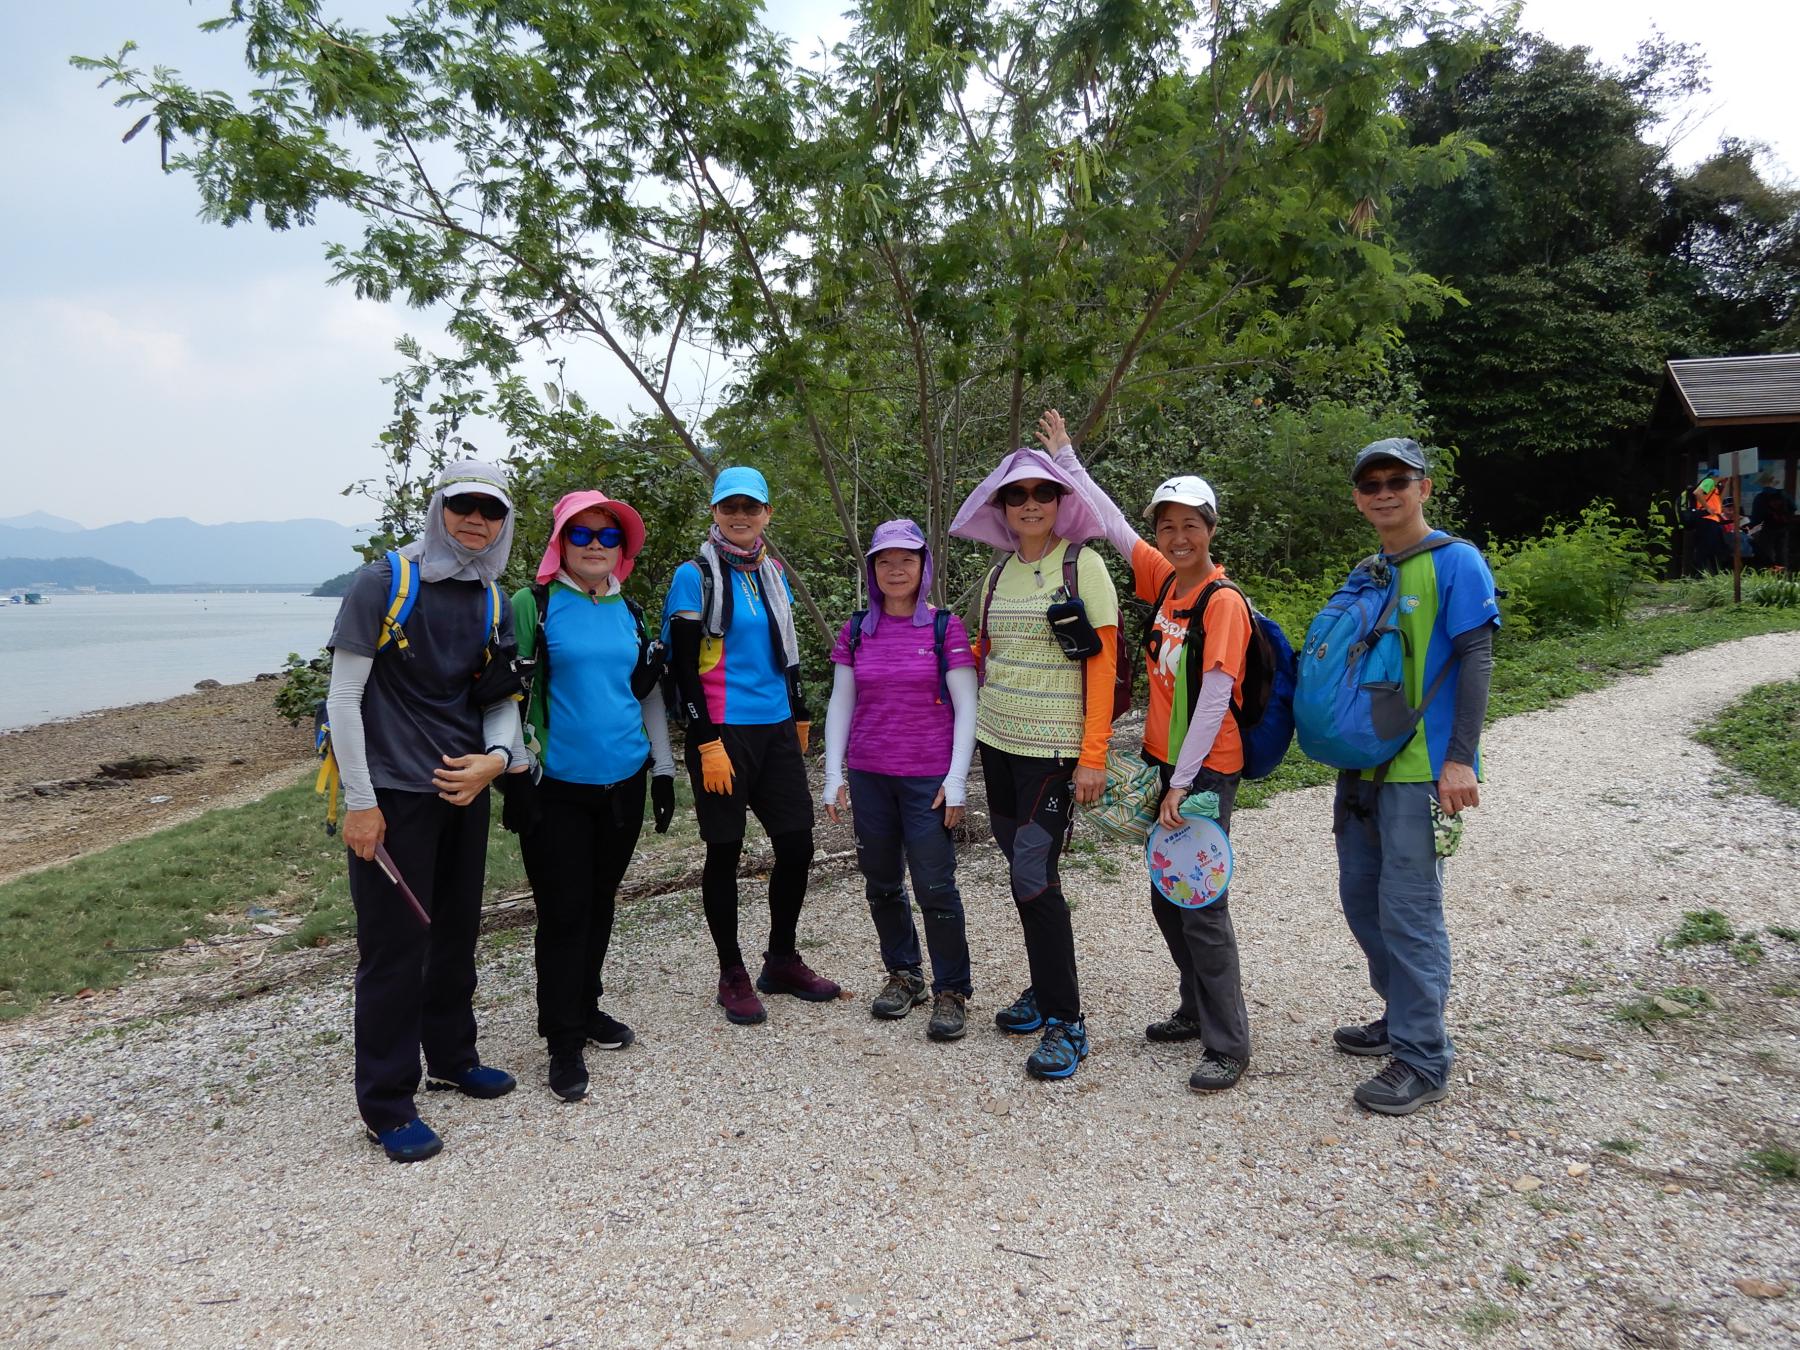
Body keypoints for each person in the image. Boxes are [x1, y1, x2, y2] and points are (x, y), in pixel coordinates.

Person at [1035, 409, 1254, 1092]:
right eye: (1167, 526)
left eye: (1191, 525)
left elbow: (1214, 698)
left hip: (1205, 771)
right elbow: (1109, 523)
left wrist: (1181, 783)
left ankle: (1228, 1043)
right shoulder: (1165, 581)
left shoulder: (1221, 602)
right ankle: (1195, 1007)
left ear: (1211, 529)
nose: (1177, 537)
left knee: (1201, 904)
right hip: (1167, 765)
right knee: (1168, 895)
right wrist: (1066, 459)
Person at [324, 460, 528, 1163]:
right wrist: (360, 803)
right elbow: (343, 698)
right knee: (393, 949)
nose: (476, 520)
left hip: (461, 790)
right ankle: (386, 1104)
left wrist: (495, 760)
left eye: (492, 511)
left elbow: (499, 698)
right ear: (439, 507)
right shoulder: (385, 581)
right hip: (392, 795)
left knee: (455, 933)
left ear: (504, 524)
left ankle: (451, 1056)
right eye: (463, 504)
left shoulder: (492, 598)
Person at [1331, 438, 1499, 1116]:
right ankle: (1399, 1013)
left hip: (1421, 770)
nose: (1384, 493)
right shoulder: (1369, 570)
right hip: (1362, 766)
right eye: (1371, 484)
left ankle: (1423, 1056)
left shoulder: (1456, 561)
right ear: (1357, 498)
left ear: (1424, 488)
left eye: (1397, 481)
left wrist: (1460, 758)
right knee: (1361, 900)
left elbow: (1477, 658)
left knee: (1409, 912)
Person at [950, 446, 1118, 1080]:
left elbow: (1101, 666)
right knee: (1025, 872)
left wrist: (1093, 755)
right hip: (997, 743)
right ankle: (1046, 989)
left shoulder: (1083, 565)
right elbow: (988, 652)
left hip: (1053, 750)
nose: (1029, 504)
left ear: (1060, 502)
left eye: (1042, 493)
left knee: (1031, 874)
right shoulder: (997, 575)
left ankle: (1066, 1021)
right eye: (1015, 495)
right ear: (1001, 506)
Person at [508, 490, 677, 1103]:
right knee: (562, 912)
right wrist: (514, 774)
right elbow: (508, 696)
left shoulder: (630, 610)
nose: (596, 545)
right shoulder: (534, 605)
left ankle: (585, 1007)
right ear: (561, 542)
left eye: (609, 536)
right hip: (556, 786)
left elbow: (646, 692)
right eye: (582, 534)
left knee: (600, 901)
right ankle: (561, 1037)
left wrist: (663, 770)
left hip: (624, 781)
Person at [664, 465, 839, 1024]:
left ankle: (781, 959)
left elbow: (784, 649)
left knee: (796, 846)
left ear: (767, 513)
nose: (740, 516)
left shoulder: (772, 572)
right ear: (715, 511)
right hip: (723, 728)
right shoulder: (695, 575)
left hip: (776, 726)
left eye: (750, 507)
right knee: (725, 850)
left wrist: (800, 712)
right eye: (729, 506)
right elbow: (683, 667)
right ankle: (732, 972)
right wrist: (704, 739)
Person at [821, 519, 979, 1041]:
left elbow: (967, 705)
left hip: (928, 779)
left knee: (935, 884)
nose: (895, 570)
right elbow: (841, 702)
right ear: (872, 569)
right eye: (884, 561)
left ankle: (951, 989)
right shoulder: (856, 629)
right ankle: (904, 973)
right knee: (882, 881)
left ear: (923, 566)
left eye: (906, 559)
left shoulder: (943, 628)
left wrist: (957, 780)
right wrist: (832, 774)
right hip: (870, 775)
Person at [1749, 471, 1796, 572]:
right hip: (1783, 528)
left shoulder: (1760, 497)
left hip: (1767, 529)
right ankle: (1783, 575)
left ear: (1762, 483)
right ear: (1772, 481)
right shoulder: (1784, 494)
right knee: (1782, 553)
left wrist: (1752, 528)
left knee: (1767, 554)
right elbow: (1794, 507)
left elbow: (1756, 518)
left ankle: (1769, 575)